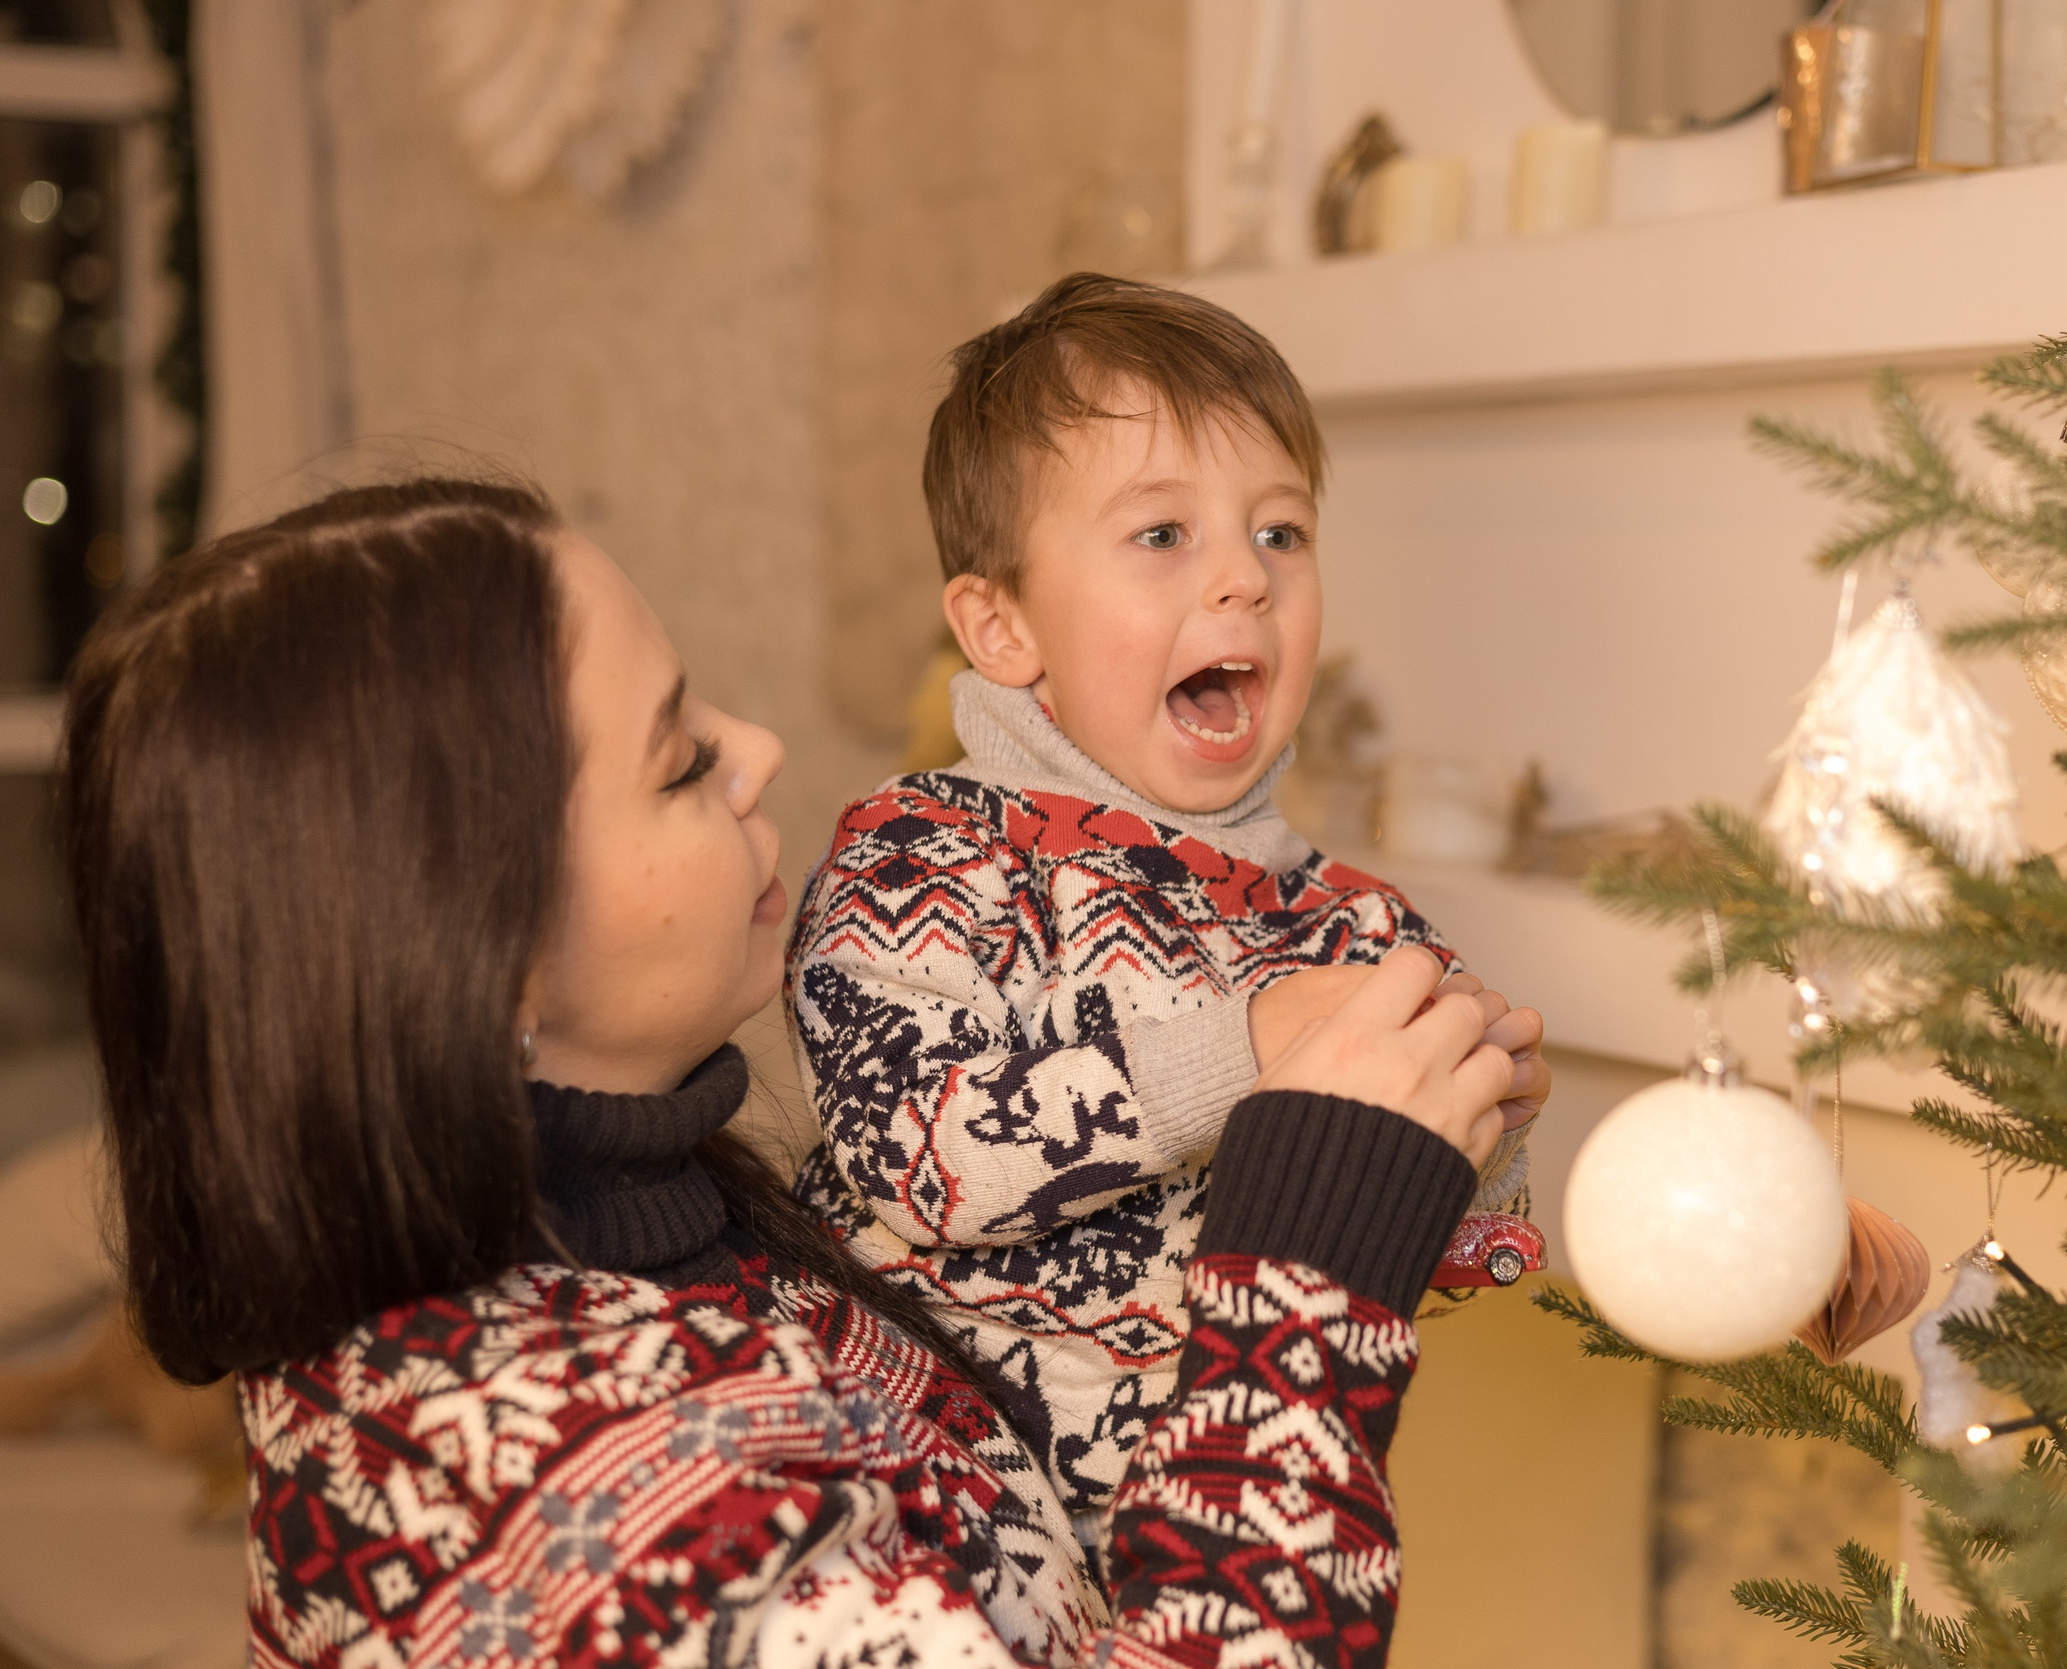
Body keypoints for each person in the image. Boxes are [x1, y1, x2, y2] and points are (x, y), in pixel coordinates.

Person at [63, 479, 1516, 1668]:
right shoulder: (570, 1493)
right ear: (477, 941)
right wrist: (1307, 1263)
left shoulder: (668, 1235)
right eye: (679, 759)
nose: (756, 749)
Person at [786, 273, 1552, 1539]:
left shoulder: (1356, 931)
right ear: (1001, 624)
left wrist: (1493, 1138)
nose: (1244, 581)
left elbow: (1405, 1264)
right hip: (917, 1527)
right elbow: (924, 1156)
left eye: (1280, 534)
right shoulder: (920, 859)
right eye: (1162, 537)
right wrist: (1251, 1040)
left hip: (1218, 1538)